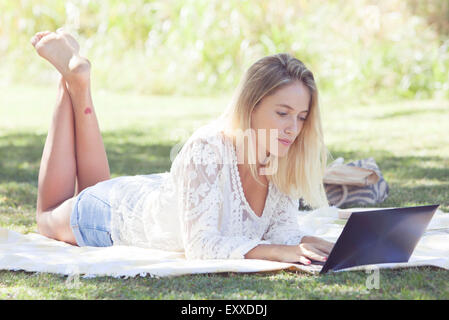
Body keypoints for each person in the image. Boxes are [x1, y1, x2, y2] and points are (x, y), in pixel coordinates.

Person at [30, 29, 334, 266]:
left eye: (302, 117)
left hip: (143, 195)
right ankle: (68, 81)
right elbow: (201, 246)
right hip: (110, 216)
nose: (293, 129)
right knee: (47, 217)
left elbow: (280, 235)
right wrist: (280, 252)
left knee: (96, 185)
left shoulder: (280, 156)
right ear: (251, 106)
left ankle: (76, 77)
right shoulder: (208, 147)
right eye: (282, 113)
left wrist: (308, 243)